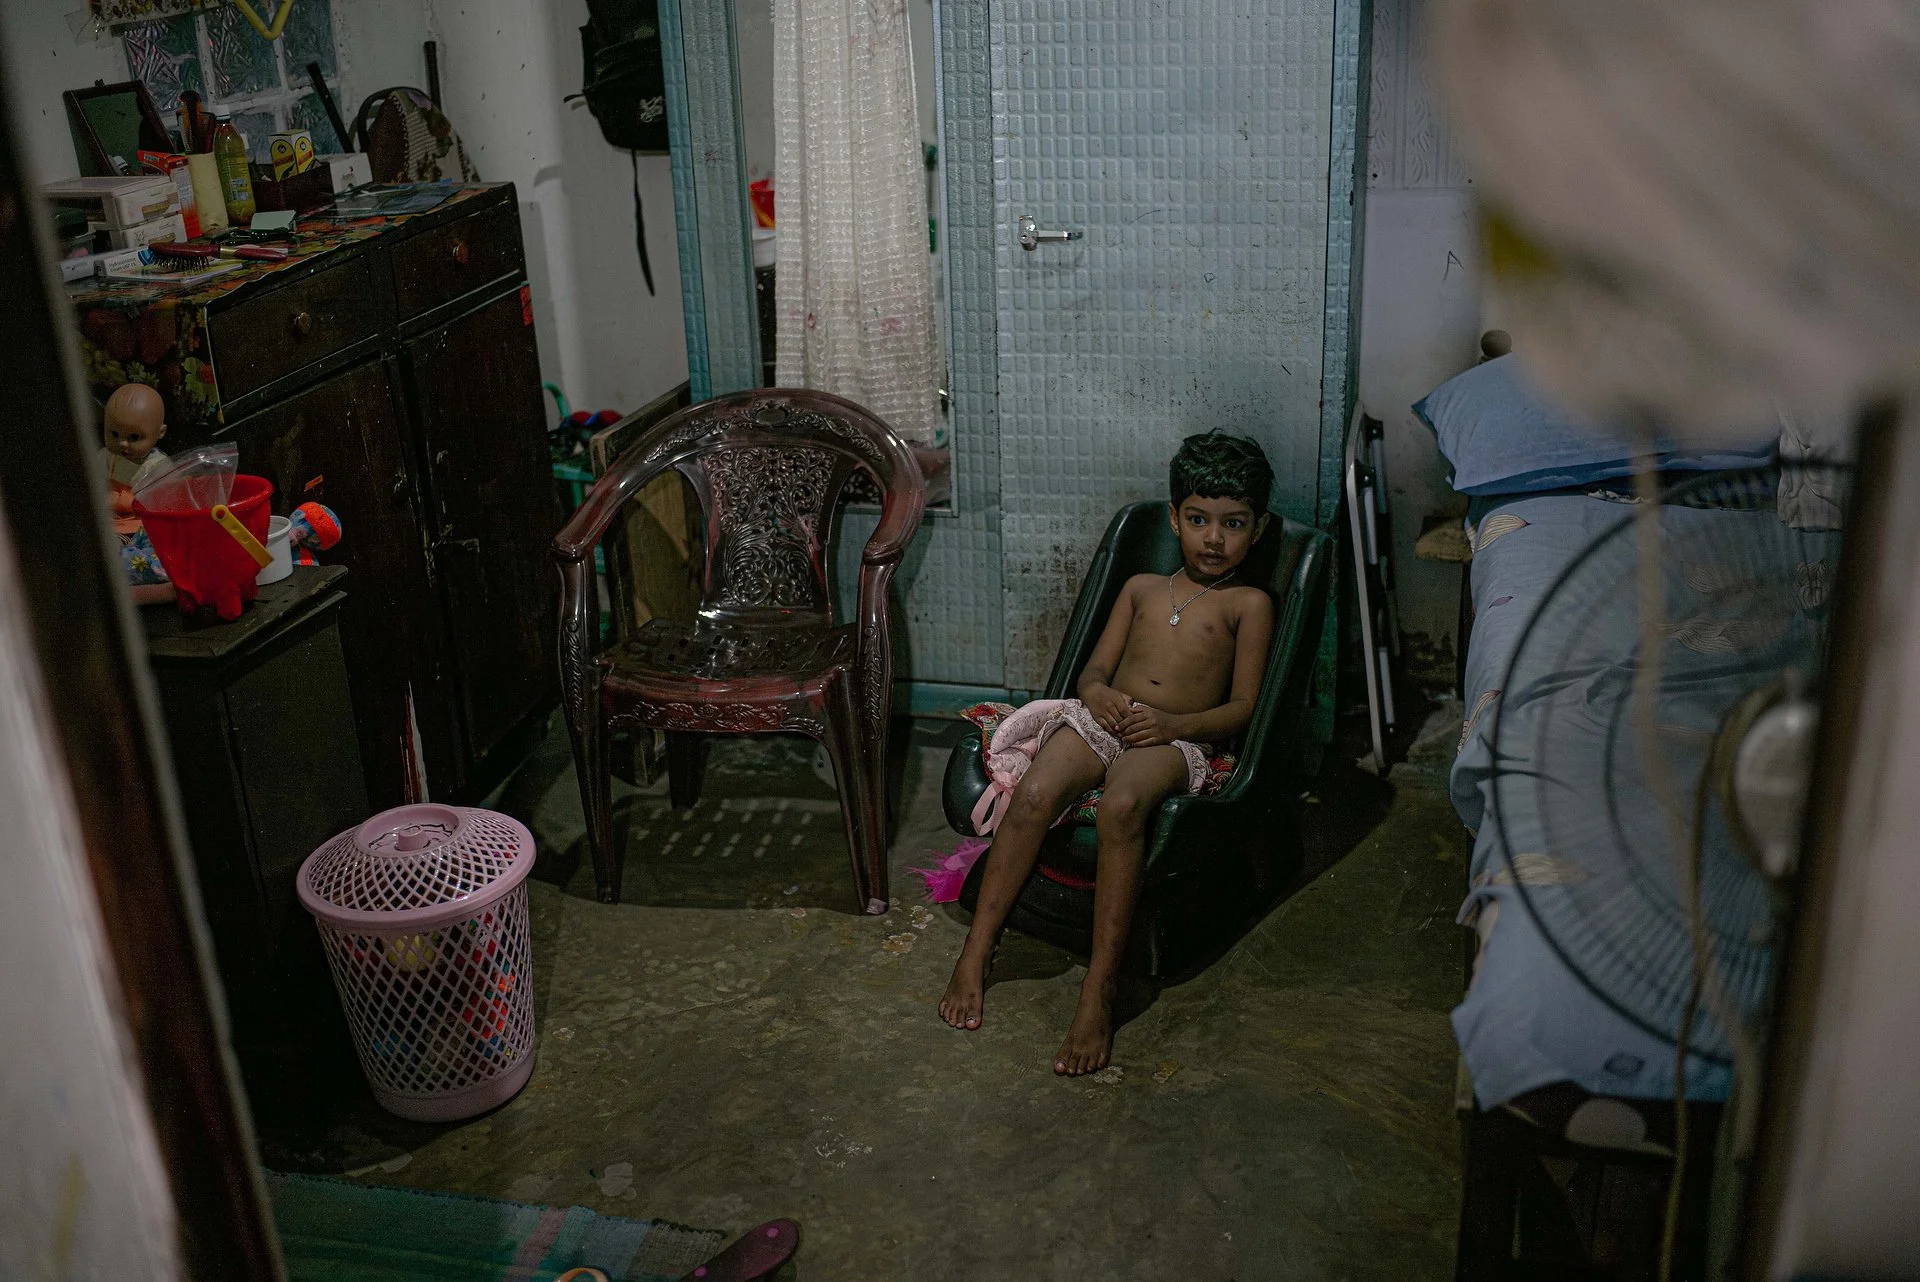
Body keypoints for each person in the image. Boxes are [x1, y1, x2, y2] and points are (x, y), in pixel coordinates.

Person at [939, 433, 1277, 1075]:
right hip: (1104, 720)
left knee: (1123, 804)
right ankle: (978, 949)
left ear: (1256, 529)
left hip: (1179, 739)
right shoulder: (1141, 588)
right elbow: (1092, 671)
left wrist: (1175, 722)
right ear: (1175, 518)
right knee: (1036, 792)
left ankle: (1100, 986)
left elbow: (1243, 709)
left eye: (1233, 525)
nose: (1213, 539)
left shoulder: (1248, 605)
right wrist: (1097, 696)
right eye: (1199, 520)